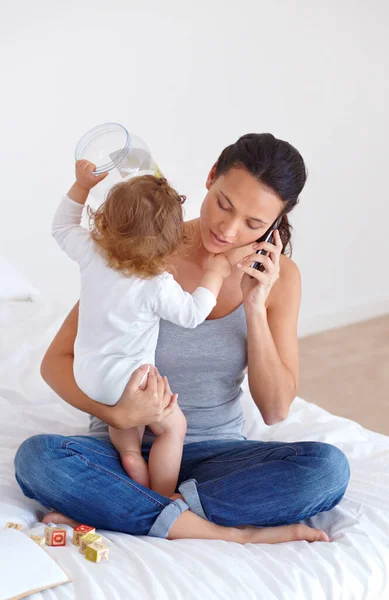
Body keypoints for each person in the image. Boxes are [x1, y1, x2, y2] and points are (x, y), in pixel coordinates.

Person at [14, 133, 350, 545]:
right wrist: (117, 416)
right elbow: (57, 361)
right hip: (122, 452)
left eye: (253, 223)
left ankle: (134, 509)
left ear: (275, 225)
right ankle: (227, 533)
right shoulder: (144, 243)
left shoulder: (280, 280)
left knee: (327, 470)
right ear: (211, 178)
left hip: (215, 458)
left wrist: (254, 306)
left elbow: (276, 409)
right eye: (224, 204)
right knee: (39, 459)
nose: (228, 229)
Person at [51, 161, 231, 497]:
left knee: (127, 429)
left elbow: (61, 227)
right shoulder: (156, 284)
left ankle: (130, 454)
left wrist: (81, 185)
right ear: (169, 244)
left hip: (88, 375)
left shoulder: (93, 252)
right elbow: (193, 314)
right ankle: (160, 499)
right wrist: (215, 275)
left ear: (105, 219)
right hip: (130, 381)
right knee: (173, 429)